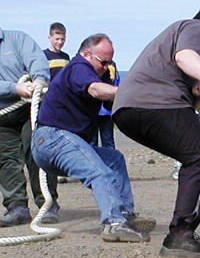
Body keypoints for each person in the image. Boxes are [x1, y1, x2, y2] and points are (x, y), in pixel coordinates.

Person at [113, 6, 200, 258]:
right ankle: (180, 234)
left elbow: (189, 100)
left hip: (130, 110)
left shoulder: (173, 44)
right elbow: (185, 57)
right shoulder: (195, 27)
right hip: (152, 105)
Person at [32, 33, 155, 242]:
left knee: (114, 160)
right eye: (103, 62)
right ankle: (113, 223)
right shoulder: (79, 67)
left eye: (110, 62)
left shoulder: (100, 74)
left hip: (66, 142)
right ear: (87, 54)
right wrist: (130, 91)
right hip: (52, 139)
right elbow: (96, 90)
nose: (107, 67)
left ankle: (125, 216)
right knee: (100, 172)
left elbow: (115, 104)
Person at [0, 5, 59, 227]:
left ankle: (48, 204)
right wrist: (15, 88)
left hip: (30, 111)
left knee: (36, 154)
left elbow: (36, 60)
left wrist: (38, 80)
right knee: (7, 161)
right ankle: (16, 207)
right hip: (3, 114)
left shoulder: (18, 39)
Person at [95, 59, 119, 149]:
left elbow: (116, 82)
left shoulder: (112, 64)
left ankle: (111, 161)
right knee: (92, 141)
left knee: (108, 139)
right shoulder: (91, 63)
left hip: (106, 109)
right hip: (93, 109)